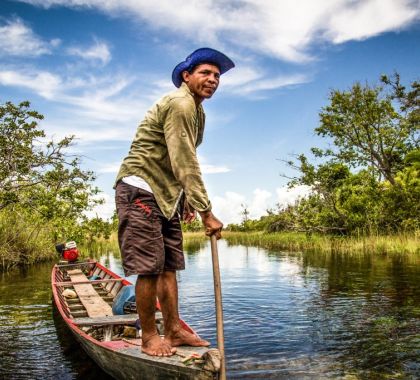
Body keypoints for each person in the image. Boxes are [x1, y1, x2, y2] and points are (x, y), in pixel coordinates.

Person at [114, 48, 235, 357]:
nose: (212, 79)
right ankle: (149, 337)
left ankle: (174, 330)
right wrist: (207, 211)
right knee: (150, 268)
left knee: (169, 267)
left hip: (166, 195)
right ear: (186, 76)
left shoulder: (198, 111)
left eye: (217, 76)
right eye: (205, 73)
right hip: (140, 187)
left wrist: (185, 201)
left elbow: (179, 158)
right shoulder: (181, 104)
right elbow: (185, 160)